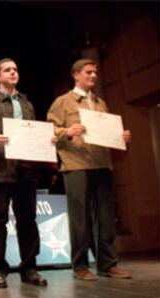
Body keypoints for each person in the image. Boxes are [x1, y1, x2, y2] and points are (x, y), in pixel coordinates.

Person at [47, 58, 132, 281]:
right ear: (76, 75)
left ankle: (108, 264)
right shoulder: (63, 102)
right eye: (88, 73)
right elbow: (50, 130)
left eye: (95, 73)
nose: (93, 76)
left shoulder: (101, 103)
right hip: (76, 165)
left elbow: (107, 132)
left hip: (102, 164)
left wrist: (120, 137)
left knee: (105, 216)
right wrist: (67, 131)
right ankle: (80, 265)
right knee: (80, 218)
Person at [0, 58, 48, 289]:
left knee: (27, 221)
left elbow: (33, 134)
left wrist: (46, 141)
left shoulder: (27, 104)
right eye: (8, 70)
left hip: (26, 170)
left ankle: (29, 268)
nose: (13, 72)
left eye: (15, 69)